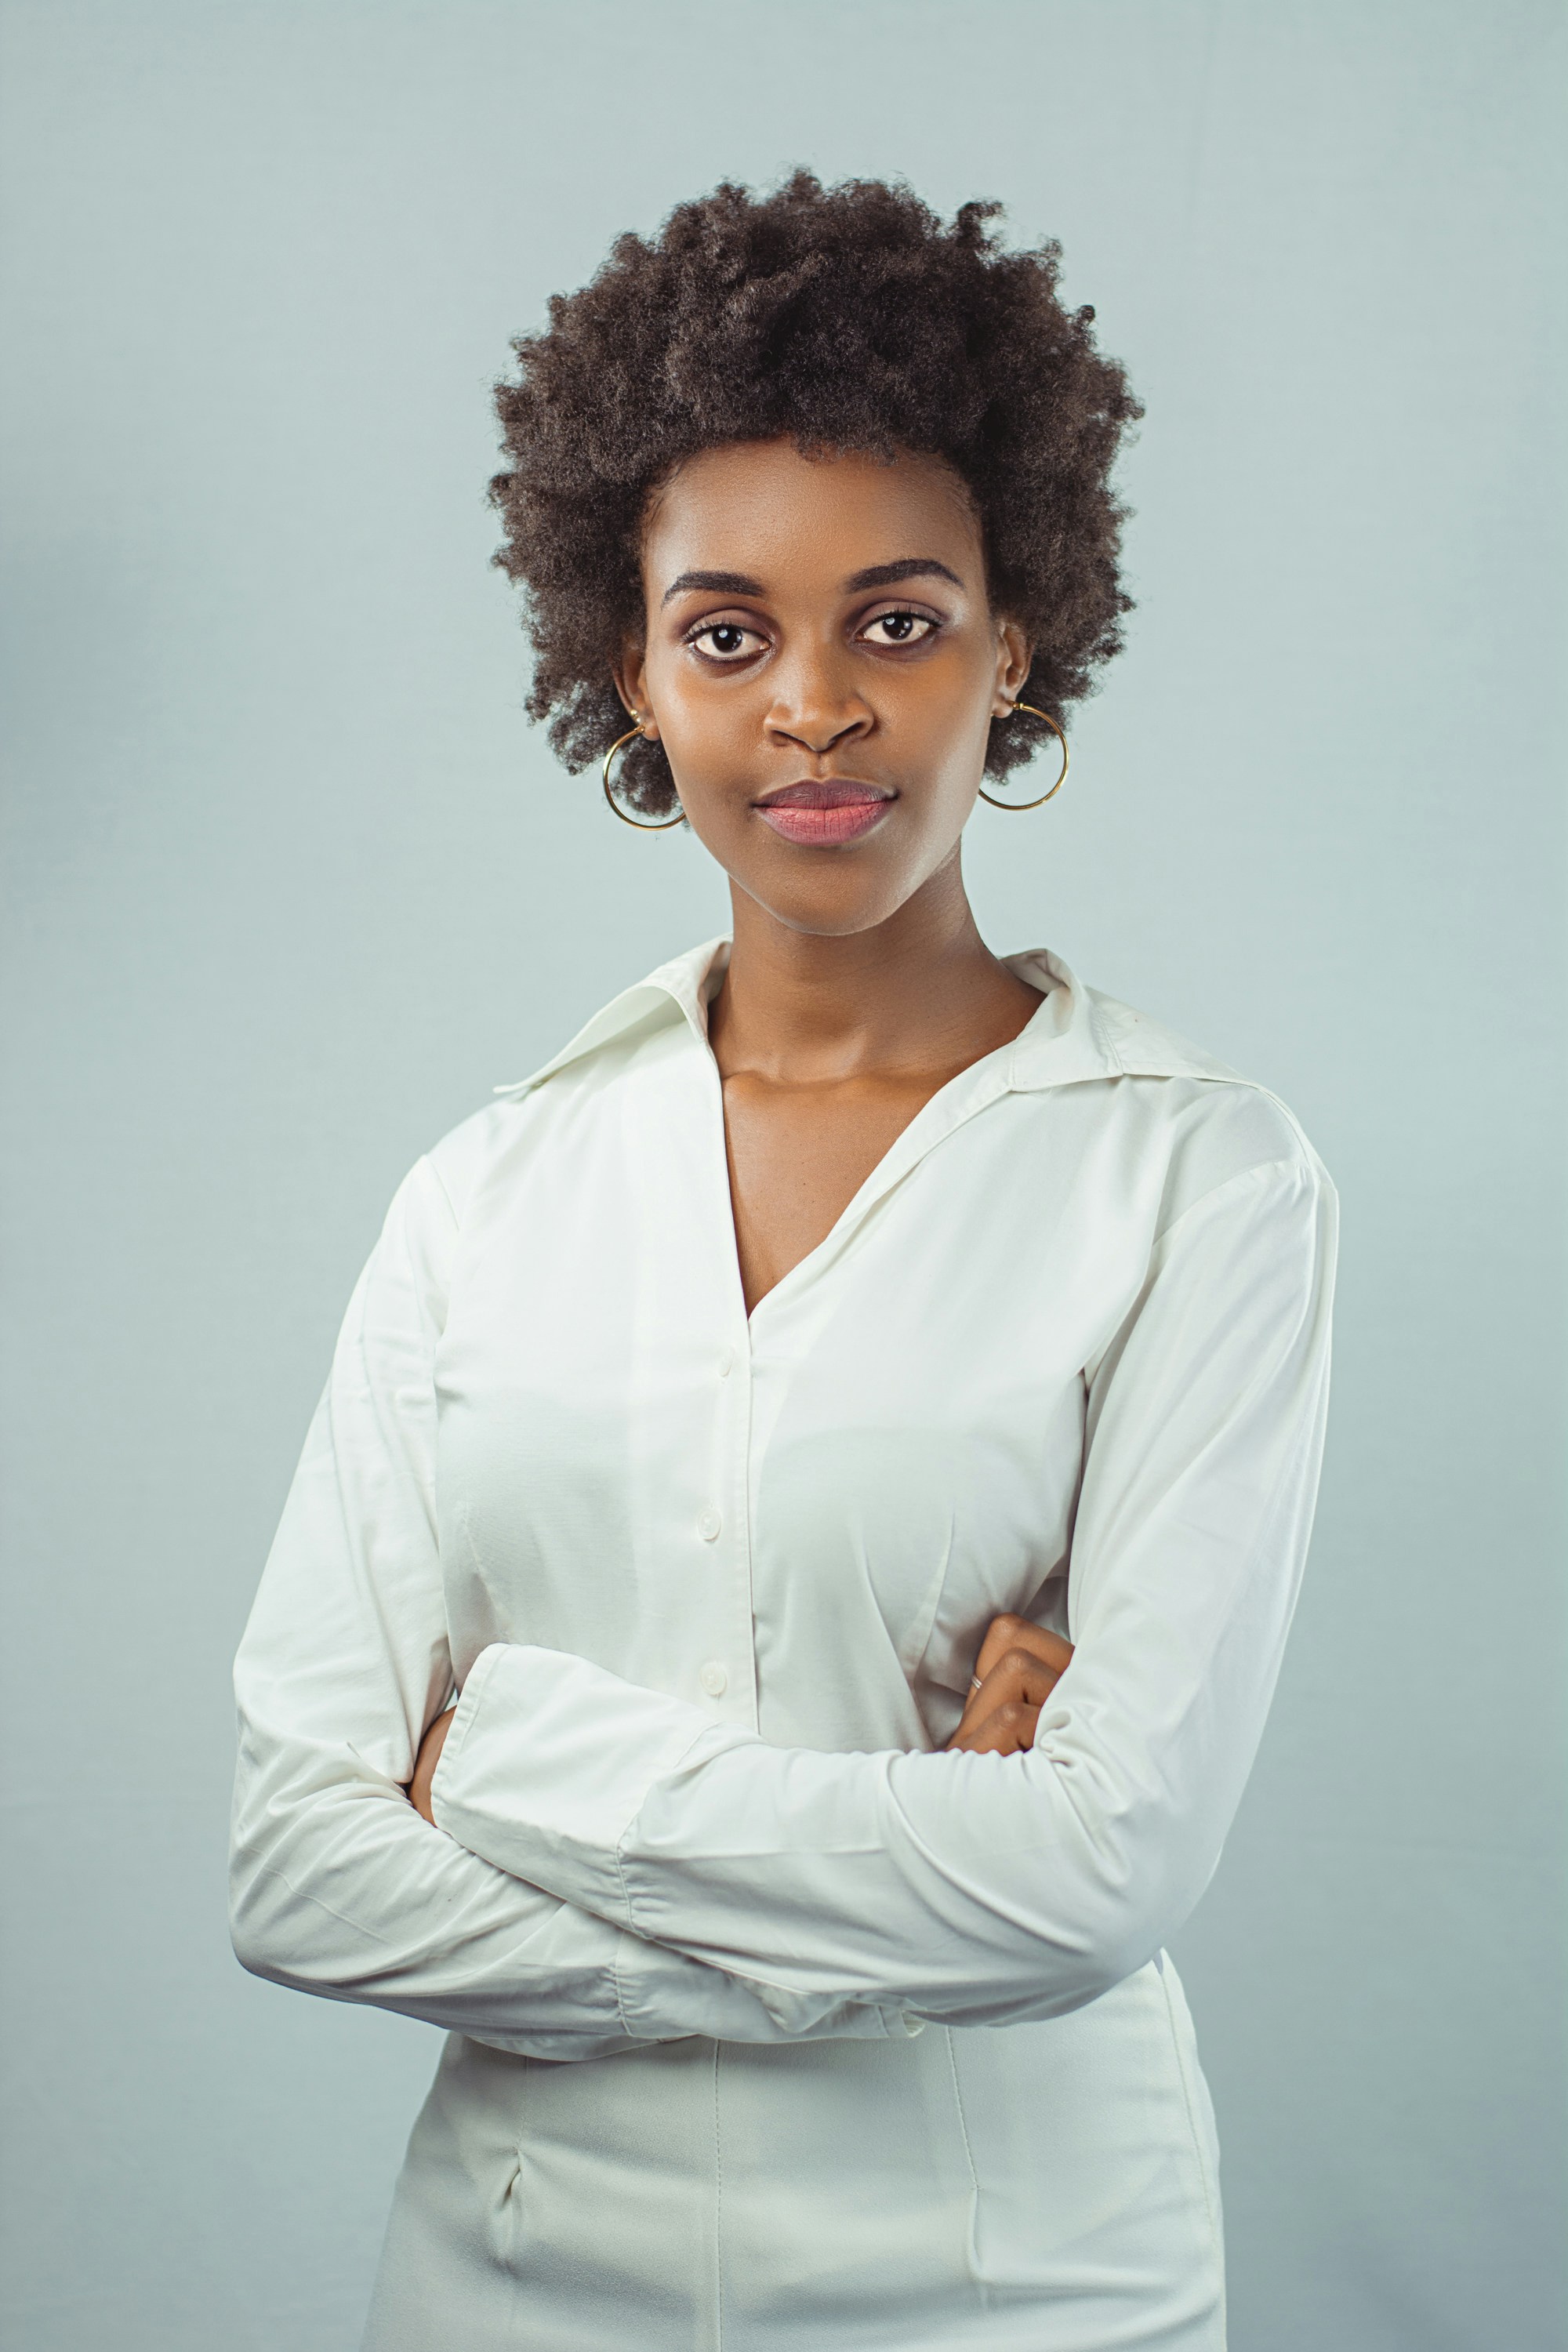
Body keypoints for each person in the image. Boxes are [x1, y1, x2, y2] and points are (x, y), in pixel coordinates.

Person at [228, 173, 1337, 2352]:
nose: (812, 706)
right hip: (518, 2278)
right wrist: (921, 1869)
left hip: (1024, 2289)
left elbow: (1107, 1875)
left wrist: (521, 1769)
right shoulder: (486, 1191)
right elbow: (290, 1856)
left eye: (897, 621)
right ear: (629, 672)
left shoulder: (1201, 1178)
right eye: (728, 632)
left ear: (1016, 643)